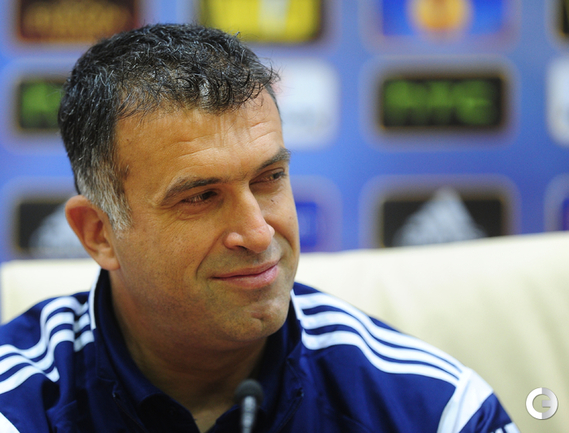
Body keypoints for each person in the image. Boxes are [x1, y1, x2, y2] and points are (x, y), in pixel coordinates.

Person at [0, 23, 518, 433]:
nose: (258, 233)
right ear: (98, 233)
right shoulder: (15, 406)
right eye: (200, 197)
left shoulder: (439, 410)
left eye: (269, 179)